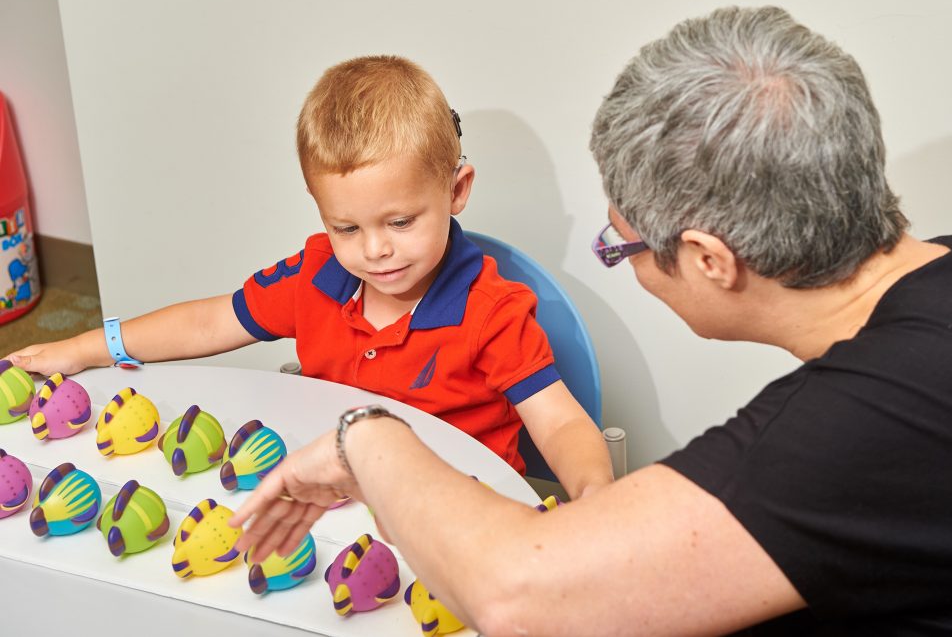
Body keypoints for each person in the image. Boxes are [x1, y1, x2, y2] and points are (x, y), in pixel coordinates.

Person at [230, 6, 952, 636]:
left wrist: (363, 437)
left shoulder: (845, 434)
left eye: (624, 245)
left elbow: (520, 597)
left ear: (710, 259)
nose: (626, 261)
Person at [4, 56, 613, 499]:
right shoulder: (316, 273)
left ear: (456, 190)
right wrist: (85, 347)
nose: (375, 250)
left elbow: (558, 421)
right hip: (336, 499)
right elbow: (208, 321)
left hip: (460, 514)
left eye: (400, 221)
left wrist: (592, 502)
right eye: (347, 227)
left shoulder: (491, 311)